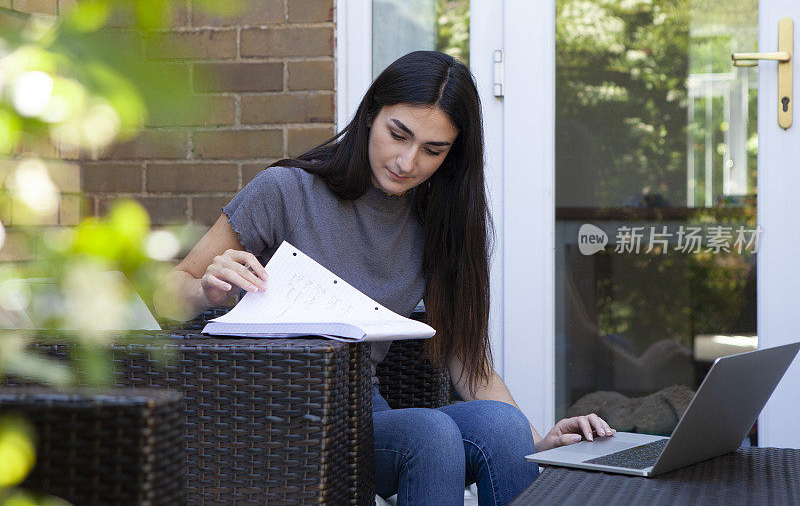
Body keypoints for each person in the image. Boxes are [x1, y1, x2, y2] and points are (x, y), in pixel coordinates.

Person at [154, 50, 615, 505]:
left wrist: (538, 443)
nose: (408, 161)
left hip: (362, 415)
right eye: (399, 135)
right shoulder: (286, 190)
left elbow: (464, 357)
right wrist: (208, 288)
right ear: (371, 114)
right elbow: (166, 293)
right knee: (430, 432)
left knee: (503, 426)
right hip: (272, 410)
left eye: (433, 150)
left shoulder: (435, 223)